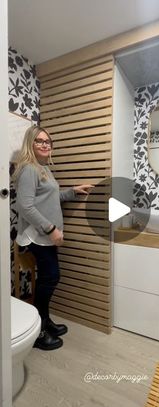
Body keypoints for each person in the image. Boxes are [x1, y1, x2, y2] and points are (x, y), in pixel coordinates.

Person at [13, 125, 93, 350]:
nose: (45, 144)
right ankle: (38, 331)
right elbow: (25, 206)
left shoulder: (43, 168)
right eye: (39, 141)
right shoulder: (29, 168)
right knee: (51, 278)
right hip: (36, 235)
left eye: (48, 141)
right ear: (30, 143)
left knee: (49, 278)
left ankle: (44, 321)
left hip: (45, 235)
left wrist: (73, 191)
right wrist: (51, 229)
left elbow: (49, 197)